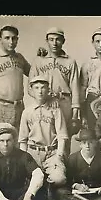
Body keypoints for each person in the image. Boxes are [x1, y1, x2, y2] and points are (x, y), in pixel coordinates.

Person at [28, 27, 81, 156]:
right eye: (51, 39)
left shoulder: (70, 61)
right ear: (46, 41)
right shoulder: (38, 61)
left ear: (63, 41)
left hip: (64, 102)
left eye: (58, 39)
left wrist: (75, 114)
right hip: (45, 103)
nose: (54, 43)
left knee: (64, 137)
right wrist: (44, 99)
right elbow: (30, 88)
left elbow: (75, 87)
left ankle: (64, 170)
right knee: (46, 135)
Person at [18, 75, 68, 200]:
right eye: (36, 88)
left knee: (60, 179)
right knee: (22, 181)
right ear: (32, 91)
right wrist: (23, 159)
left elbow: (62, 136)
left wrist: (59, 156)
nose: (40, 91)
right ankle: (44, 189)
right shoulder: (27, 112)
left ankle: (45, 187)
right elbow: (23, 140)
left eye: (43, 87)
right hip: (32, 153)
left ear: (48, 89)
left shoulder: (55, 109)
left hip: (51, 152)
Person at [56, 128, 101, 200]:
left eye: (90, 142)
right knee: (61, 192)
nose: (87, 146)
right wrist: (77, 186)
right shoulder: (73, 158)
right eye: (84, 143)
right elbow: (68, 181)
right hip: (80, 195)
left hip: (97, 194)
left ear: (95, 143)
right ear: (80, 145)